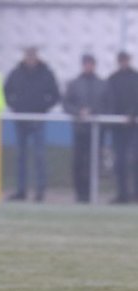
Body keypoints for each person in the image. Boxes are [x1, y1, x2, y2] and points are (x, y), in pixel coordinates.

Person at [4, 47, 60, 202]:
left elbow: (55, 95)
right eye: (28, 56)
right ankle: (21, 191)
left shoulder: (46, 74)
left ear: (37, 57)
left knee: (39, 156)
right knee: (21, 156)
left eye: (32, 56)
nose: (30, 59)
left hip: (38, 119)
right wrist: (15, 107)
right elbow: (6, 91)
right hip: (20, 119)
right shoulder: (16, 73)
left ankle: (40, 191)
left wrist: (43, 108)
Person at [63, 54, 108, 203]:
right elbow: (66, 104)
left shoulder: (102, 84)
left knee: (93, 163)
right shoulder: (74, 84)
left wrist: (93, 111)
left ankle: (91, 193)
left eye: (91, 64)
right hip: (80, 130)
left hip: (96, 131)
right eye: (86, 64)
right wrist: (79, 112)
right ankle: (80, 193)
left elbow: (107, 104)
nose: (88, 66)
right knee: (78, 162)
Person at [106, 51, 138, 204]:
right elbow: (109, 100)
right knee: (119, 162)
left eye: (125, 60)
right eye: (121, 60)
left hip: (134, 126)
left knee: (135, 159)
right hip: (117, 126)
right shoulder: (113, 79)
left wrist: (132, 114)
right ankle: (122, 194)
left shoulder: (135, 78)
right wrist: (115, 117)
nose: (123, 62)